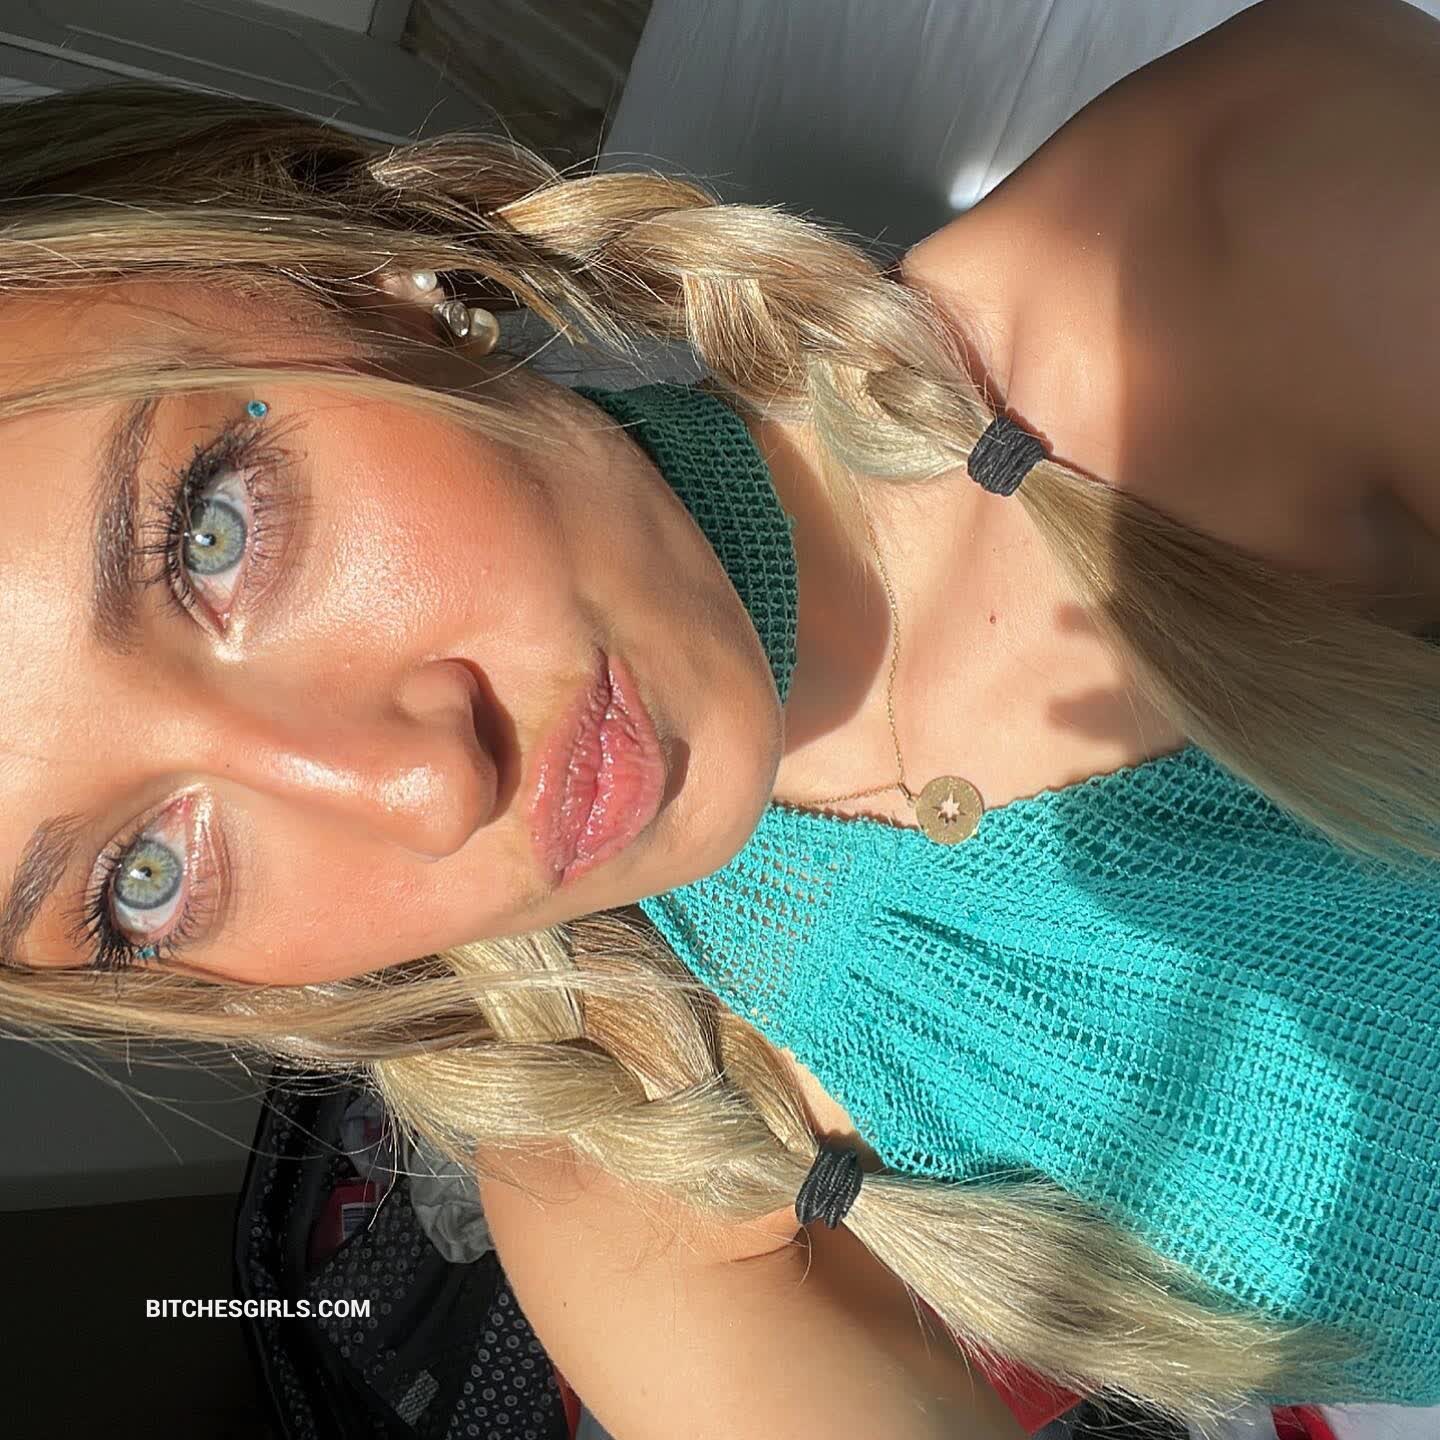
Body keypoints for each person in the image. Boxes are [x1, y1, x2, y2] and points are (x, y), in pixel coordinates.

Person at [0, 1, 1436, 1436]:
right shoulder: (633, 1170)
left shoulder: (1242, 231)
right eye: (144, 878)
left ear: (361, 274)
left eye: (213, 533)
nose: (424, 791)